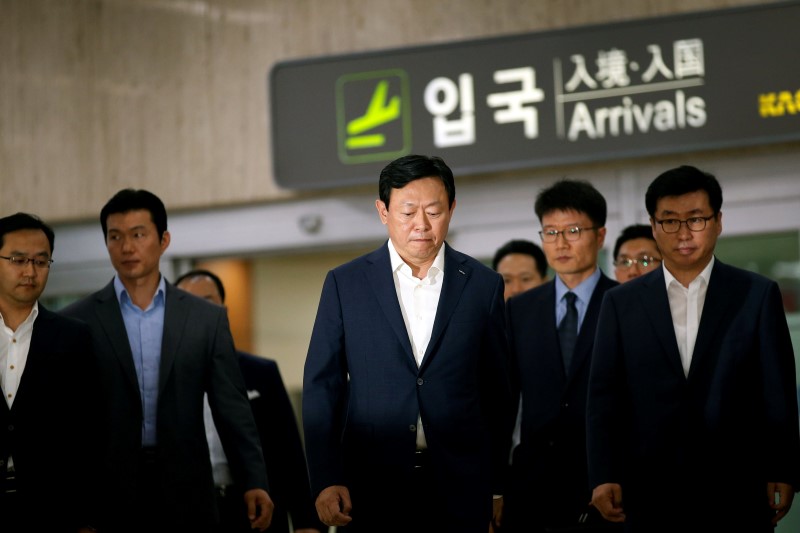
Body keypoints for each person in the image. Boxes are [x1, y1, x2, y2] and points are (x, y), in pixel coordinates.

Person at [302, 154, 513, 533]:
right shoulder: (345, 283)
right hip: (370, 485)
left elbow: (498, 391)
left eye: (434, 211)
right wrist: (325, 476)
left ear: (451, 208)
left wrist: (496, 482)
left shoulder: (483, 285)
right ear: (383, 211)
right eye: (408, 212)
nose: (422, 225)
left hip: (461, 485)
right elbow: (323, 385)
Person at [587, 165, 800, 532]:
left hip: (737, 486)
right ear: (654, 226)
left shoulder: (756, 293)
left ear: (718, 221)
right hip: (648, 487)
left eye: (696, 219)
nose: (684, 233)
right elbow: (604, 394)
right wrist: (602, 474)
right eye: (670, 221)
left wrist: (782, 467)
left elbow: (776, 389)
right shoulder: (621, 303)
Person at [61, 189, 274, 533]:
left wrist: (254, 480)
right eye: (115, 237)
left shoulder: (205, 318)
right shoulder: (78, 320)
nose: (127, 247)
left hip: (188, 487)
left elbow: (232, 407)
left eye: (138, 235)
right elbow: (70, 422)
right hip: (108, 493)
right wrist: (77, 508)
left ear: (163, 240)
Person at [502, 179, 620, 533]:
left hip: (605, 485)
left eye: (573, 230)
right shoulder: (518, 310)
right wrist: (494, 486)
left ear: (599, 236)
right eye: (550, 232)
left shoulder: (626, 303)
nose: (561, 243)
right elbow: (503, 402)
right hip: (531, 489)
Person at [174, 269, 323, 533]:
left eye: (207, 303)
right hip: (191, 508)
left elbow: (288, 448)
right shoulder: (165, 378)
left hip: (255, 507)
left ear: (224, 311)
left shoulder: (260, 371)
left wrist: (305, 522)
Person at [0, 213, 100, 533]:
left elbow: (89, 433)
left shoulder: (74, 337)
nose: (30, 271)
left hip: (51, 511)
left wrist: (87, 518)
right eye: (18, 259)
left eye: (41, 262)